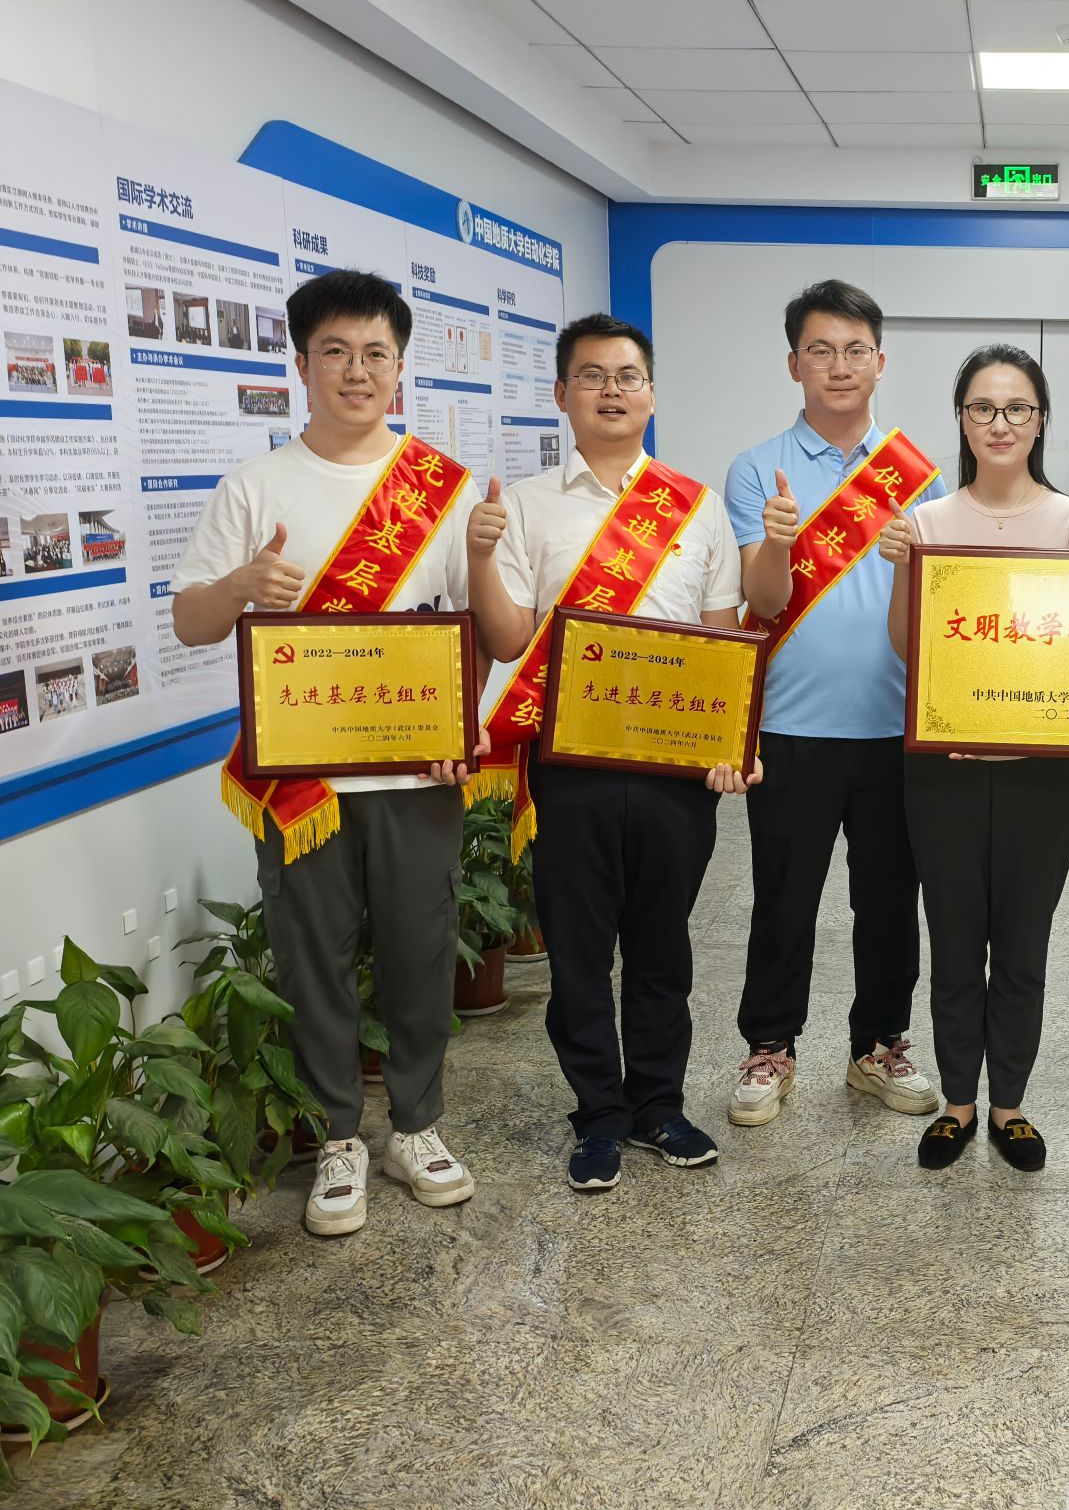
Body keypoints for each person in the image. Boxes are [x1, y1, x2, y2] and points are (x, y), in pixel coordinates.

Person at [168, 269, 484, 1238]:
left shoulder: (443, 488)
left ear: (400, 367)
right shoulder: (253, 487)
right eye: (336, 352)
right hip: (303, 778)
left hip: (416, 771)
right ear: (301, 365)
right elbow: (189, 621)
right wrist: (242, 585)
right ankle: (338, 1137)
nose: (357, 370)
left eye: (376, 353)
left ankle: (417, 1126)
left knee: (421, 951)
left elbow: (470, 629)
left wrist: (466, 727)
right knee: (312, 959)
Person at [467, 313, 758, 1191]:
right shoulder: (525, 505)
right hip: (573, 767)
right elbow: (509, 639)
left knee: (663, 946)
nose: (611, 391)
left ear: (652, 394)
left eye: (627, 376)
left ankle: (659, 1105)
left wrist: (731, 745)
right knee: (580, 951)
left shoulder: (695, 505)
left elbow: (721, 639)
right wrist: (480, 558)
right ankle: (597, 1114)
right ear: (562, 394)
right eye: (592, 376)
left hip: (674, 770)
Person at [723, 280, 945, 1127]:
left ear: (880, 361)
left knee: (888, 901)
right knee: (784, 898)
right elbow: (765, 602)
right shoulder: (758, 468)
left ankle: (878, 1045)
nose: (840, 366)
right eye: (821, 350)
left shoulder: (919, 478)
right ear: (794, 364)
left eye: (855, 350)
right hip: (791, 725)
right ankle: (770, 1046)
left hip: (895, 726)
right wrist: (778, 543)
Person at [877, 345, 1069, 1172]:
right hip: (945, 771)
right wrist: (905, 570)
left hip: (1043, 771)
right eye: (983, 408)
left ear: (1039, 422)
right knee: (955, 940)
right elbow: (909, 647)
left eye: (1017, 409)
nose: (1000, 423)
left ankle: (1009, 1104)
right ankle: (958, 1103)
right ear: (962, 421)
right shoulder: (928, 522)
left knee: (1023, 944)